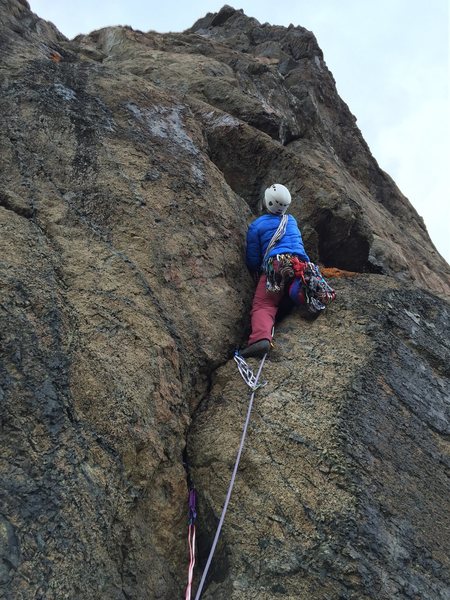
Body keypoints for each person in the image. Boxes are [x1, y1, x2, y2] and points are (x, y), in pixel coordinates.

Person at [240, 183, 310, 358]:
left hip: (277, 265)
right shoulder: (291, 220)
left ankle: (260, 339)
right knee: (284, 294)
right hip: (300, 267)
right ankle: (289, 304)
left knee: (264, 304)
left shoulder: (257, 225)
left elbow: (253, 259)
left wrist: (256, 272)